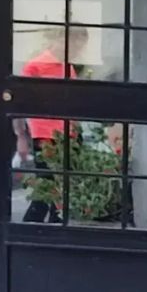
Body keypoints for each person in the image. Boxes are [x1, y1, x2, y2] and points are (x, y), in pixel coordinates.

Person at [13, 28, 89, 223]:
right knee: (46, 188)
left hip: (68, 135)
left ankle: (52, 229)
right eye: (75, 44)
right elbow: (20, 103)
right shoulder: (36, 66)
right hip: (45, 135)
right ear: (62, 39)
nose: (77, 50)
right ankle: (31, 231)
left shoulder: (67, 66)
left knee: (61, 192)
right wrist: (21, 136)